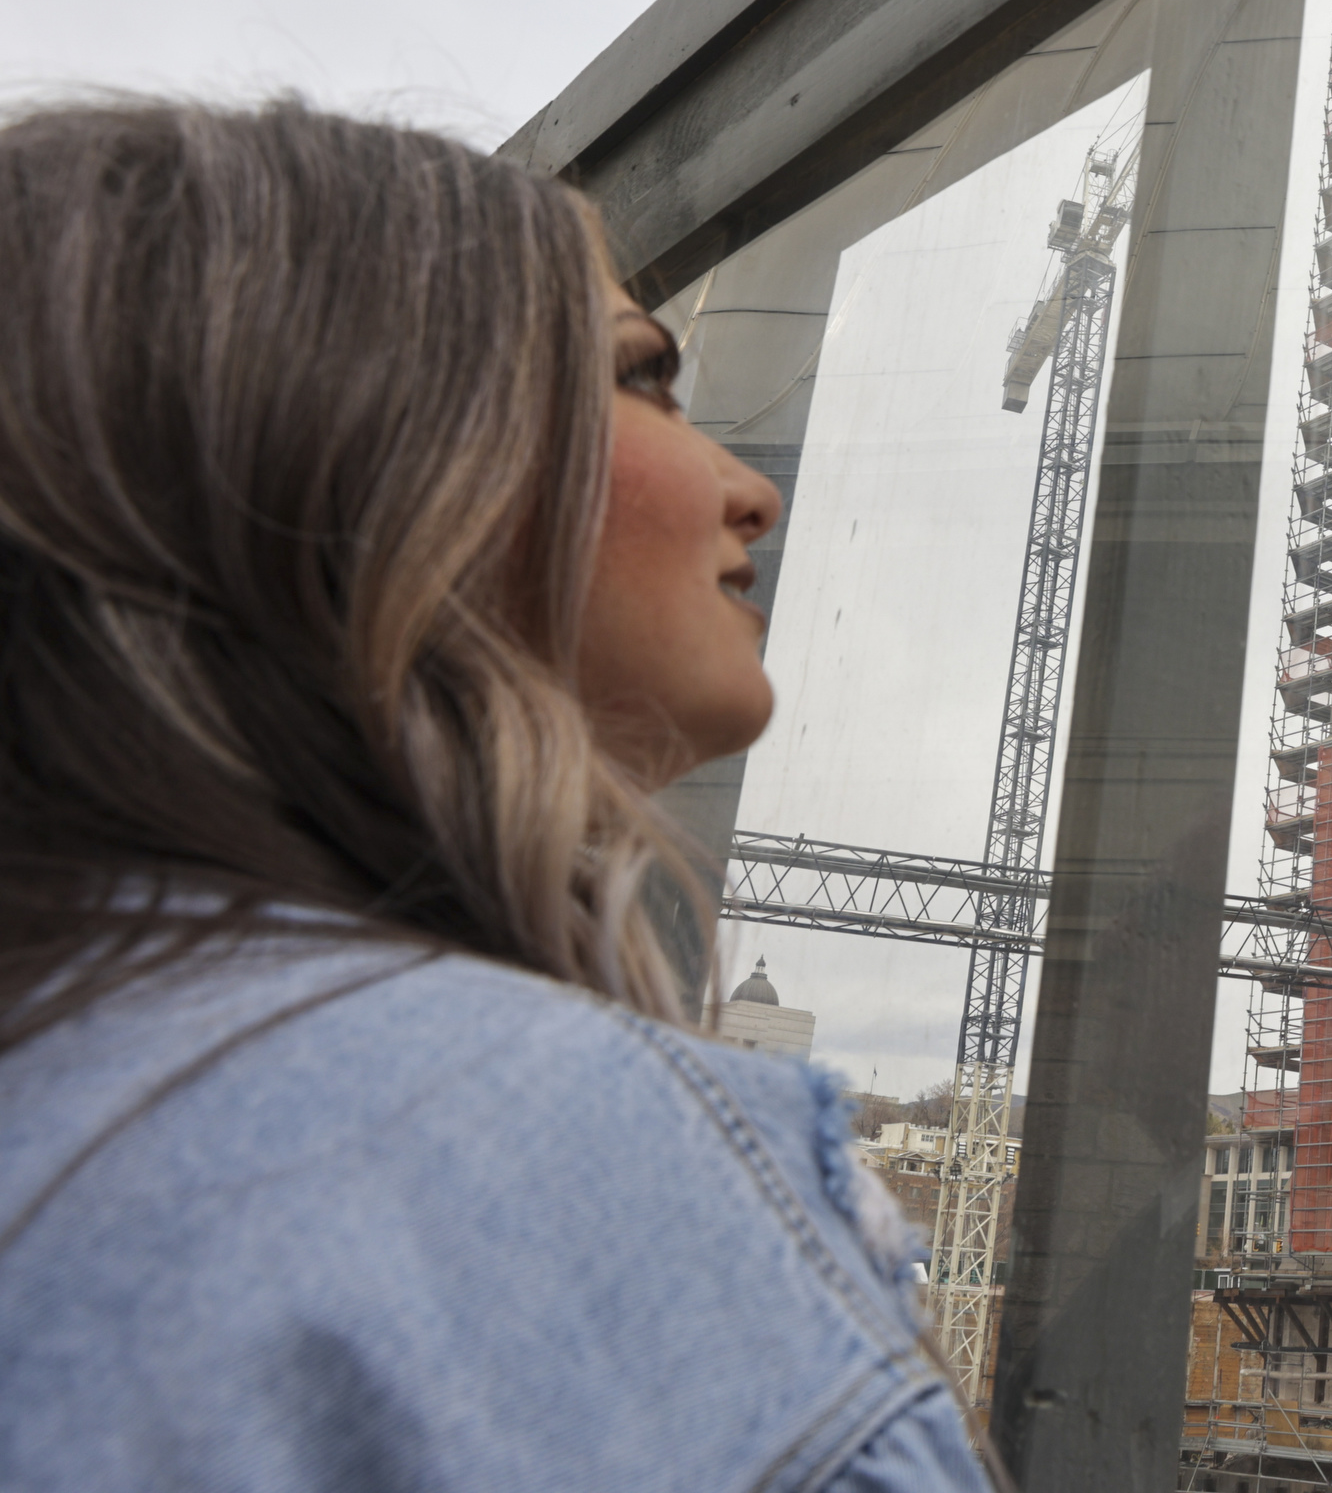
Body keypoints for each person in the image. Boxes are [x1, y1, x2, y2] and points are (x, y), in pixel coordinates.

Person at [0, 98, 997, 1490]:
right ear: (372, 448)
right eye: (646, 379)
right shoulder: (574, 1164)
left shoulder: (65, 1050)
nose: (748, 489)